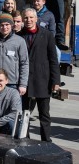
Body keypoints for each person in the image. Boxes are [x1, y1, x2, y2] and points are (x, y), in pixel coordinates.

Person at [18, 8, 60, 142]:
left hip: (43, 79)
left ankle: (46, 141)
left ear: (36, 19)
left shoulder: (47, 35)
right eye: (26, 18)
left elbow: (53, 59)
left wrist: (56, 81)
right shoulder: (19, 35)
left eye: (31, 18)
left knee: (44, 114)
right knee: (24, 113)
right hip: (24, 80)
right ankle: (25, 139)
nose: (28, 20)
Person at [0, 13, 29, 95]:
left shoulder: (19, 41)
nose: (4, 27)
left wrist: (23, 84)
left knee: (14, 107)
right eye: (2, 25)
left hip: (13, 83)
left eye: (7, 24)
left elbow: (24, 63)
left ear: (12, 25)